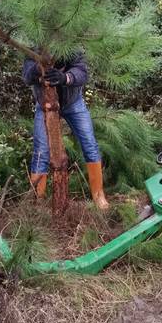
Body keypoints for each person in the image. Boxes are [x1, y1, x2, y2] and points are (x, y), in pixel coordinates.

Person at [22, 52, 109, 210]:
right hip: (45, 106)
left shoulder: (71, 46)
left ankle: (99, 196)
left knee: (90, 145)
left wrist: (65, 77)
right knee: (41, 152)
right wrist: (40, 66)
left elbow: (81, 73)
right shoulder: (34, 48)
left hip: (73, 104)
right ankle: (38, 203)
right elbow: (27, 77)